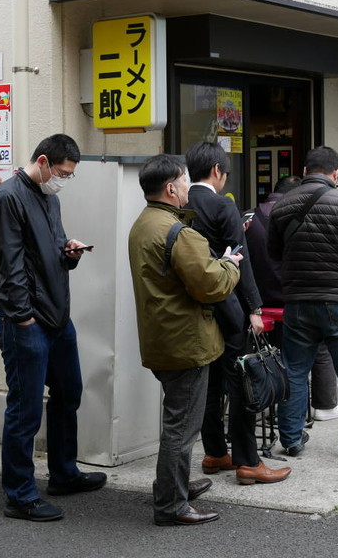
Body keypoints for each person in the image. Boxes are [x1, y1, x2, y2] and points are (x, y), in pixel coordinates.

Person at [0, 134, 104, 523]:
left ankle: (63, 473)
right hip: (25, 319)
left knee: (69, 392)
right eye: (63, 173)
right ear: (43, 161)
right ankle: (19, 495)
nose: (63, 180)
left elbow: (46, 251)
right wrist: (22, 316)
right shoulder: (7, 197)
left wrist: (68, 252)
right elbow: (7, 264)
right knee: (25, 407)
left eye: (69, 175)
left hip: (55, 315)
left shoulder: (49, 197)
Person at [127, 154, 242, 526]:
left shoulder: (143, 224)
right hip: (186, 342)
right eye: (183, 180)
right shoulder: (178, 232)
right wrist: (230, 266)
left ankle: (174, 487)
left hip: (162, 338)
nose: (188, 187)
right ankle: (171, 504)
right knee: (182, 426)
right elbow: (211, 284)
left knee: (176, 419)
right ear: (171, 188)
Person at [184, 142, 290, 485]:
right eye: (225, 173)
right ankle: (248, 461)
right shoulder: (221, 205)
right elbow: (240, 263)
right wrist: (255, 308)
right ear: (217, 171)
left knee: (210, 385)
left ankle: (215, 452)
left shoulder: (180, 204)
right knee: (243, 381)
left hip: (194, 310)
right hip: (229, 310)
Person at [267, 146, 338, 460]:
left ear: (305, 171)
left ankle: (290, 438)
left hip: (299, 302)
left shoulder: (283, 205)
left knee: (295, 371)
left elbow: (274, 254)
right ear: (336, 174)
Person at [247, 175, 338, 423]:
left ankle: (263, 401)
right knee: (319, 343)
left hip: (260, 307)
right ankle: (324, 405)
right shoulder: (301, 217)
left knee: (267, 351)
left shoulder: (248, 219)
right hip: (296, 301)